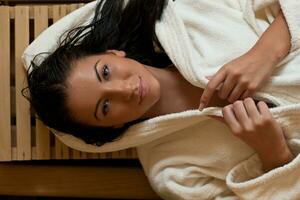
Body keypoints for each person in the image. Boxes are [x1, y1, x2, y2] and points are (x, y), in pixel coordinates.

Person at [22, 0, 300, 199]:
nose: (124, 90)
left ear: (113, 53)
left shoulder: (188, 16)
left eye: (105, 72)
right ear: (108, 129)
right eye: (105, 107)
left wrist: (266, 51)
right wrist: (274, 155)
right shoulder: (172, 172)